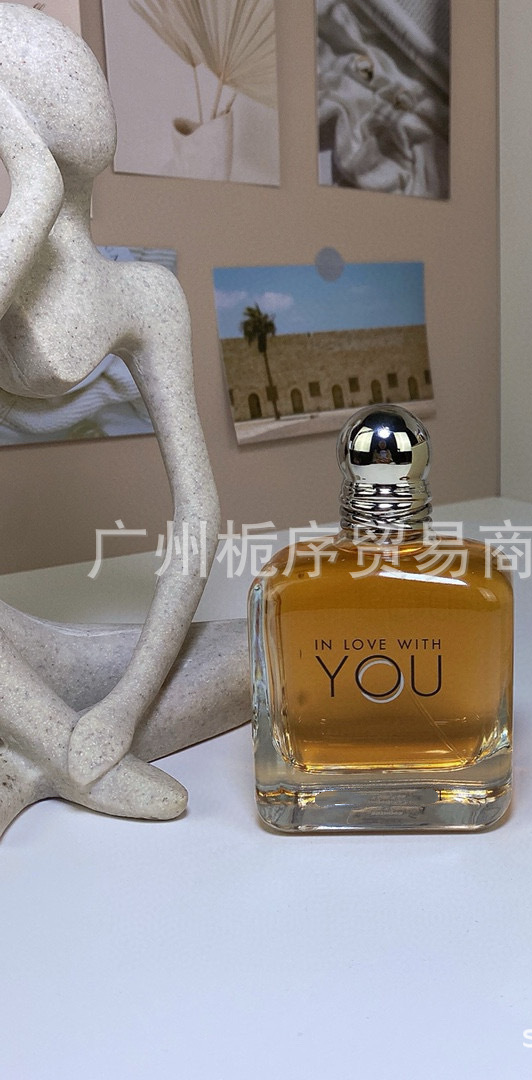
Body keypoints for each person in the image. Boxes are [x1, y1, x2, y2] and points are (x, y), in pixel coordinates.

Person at [0, 4, 237, 828]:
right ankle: (67, 757)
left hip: (31, 659)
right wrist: (31, 181)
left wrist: (127, 704)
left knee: (261, 650)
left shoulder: (145, 296)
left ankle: (29, 758)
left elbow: (199, 511)